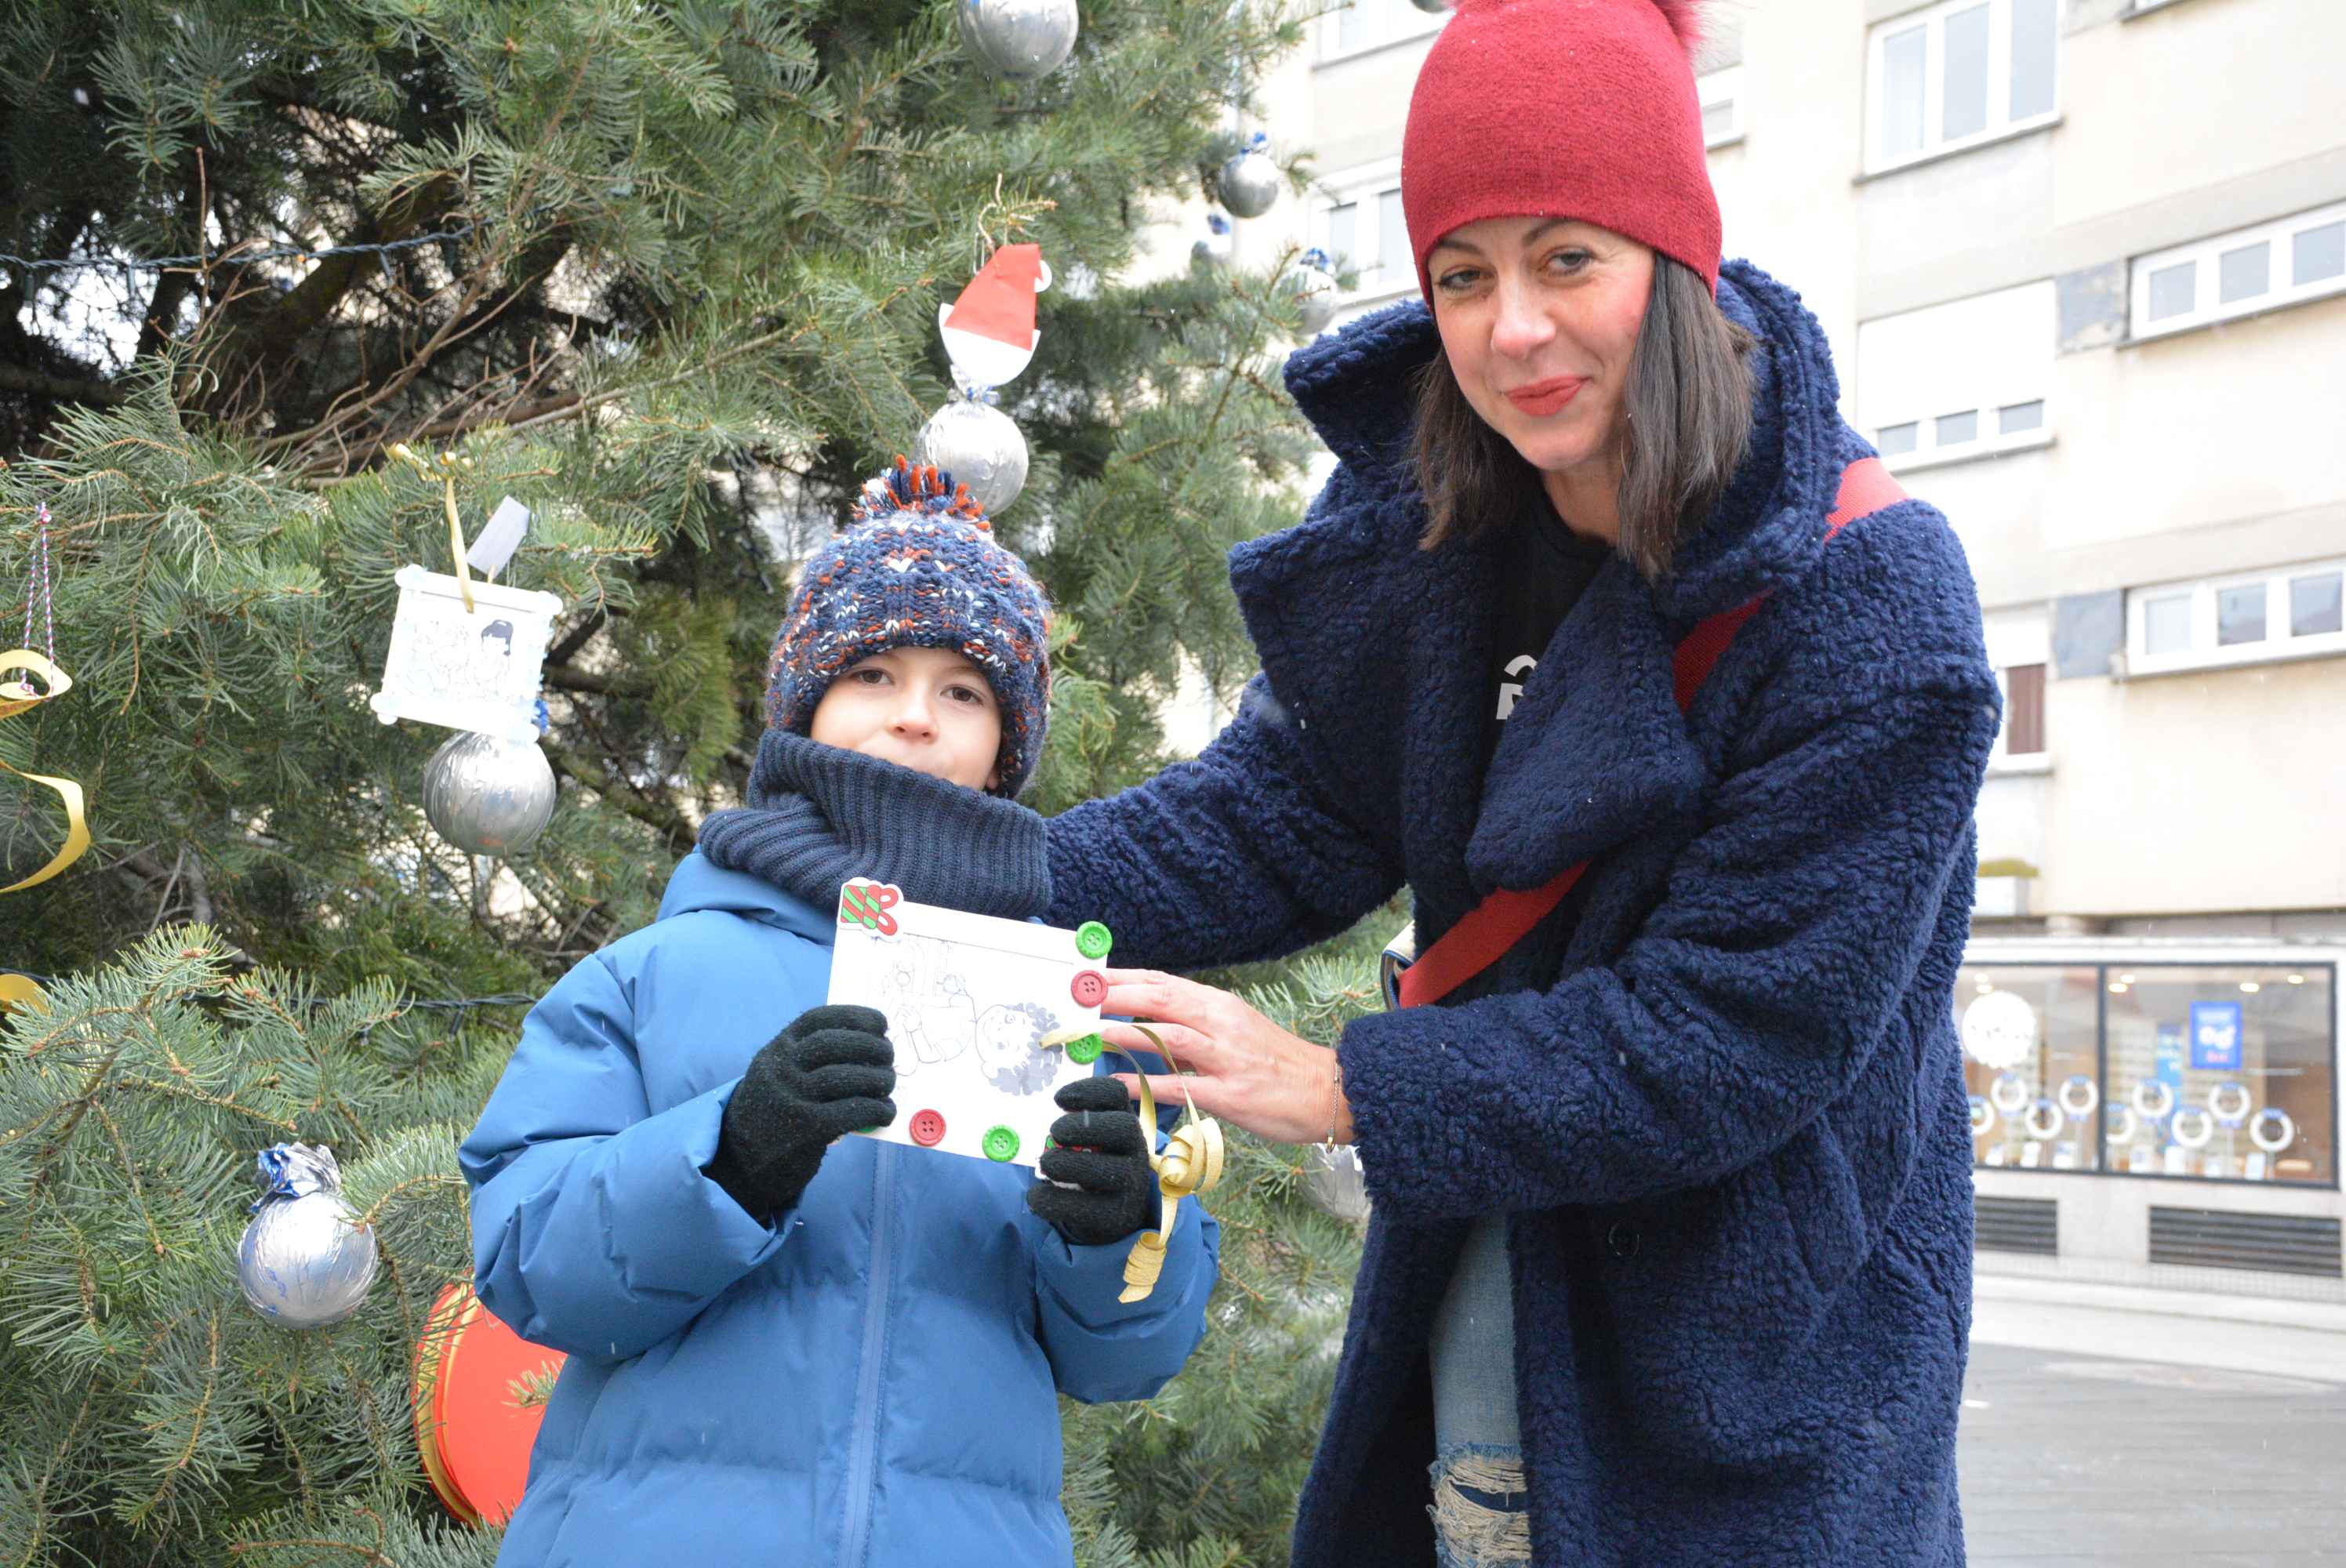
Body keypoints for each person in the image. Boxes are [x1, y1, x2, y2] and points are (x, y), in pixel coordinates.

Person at [1040, 2, 1999, 1564]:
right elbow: (1270, 813)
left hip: (1743, 1390)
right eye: (1461, 274)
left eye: (1568, 259)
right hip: (1475, 1332)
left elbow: (1729, 1036)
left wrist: (1342, 1085)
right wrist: (948, 863)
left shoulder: (1871, 599)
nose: (1512, 332)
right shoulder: (1444, 536)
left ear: (1671, 263)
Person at [460, 459, 1219, 1565]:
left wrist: (1123, 1229)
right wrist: (729, 1156)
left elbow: (1127, 1359)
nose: (916, 718)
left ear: (1006, 744)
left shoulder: (1068, 1015)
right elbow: (529, 1263)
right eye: (873, 672)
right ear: (807, 703)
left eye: (964, 691)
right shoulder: (653, 975)